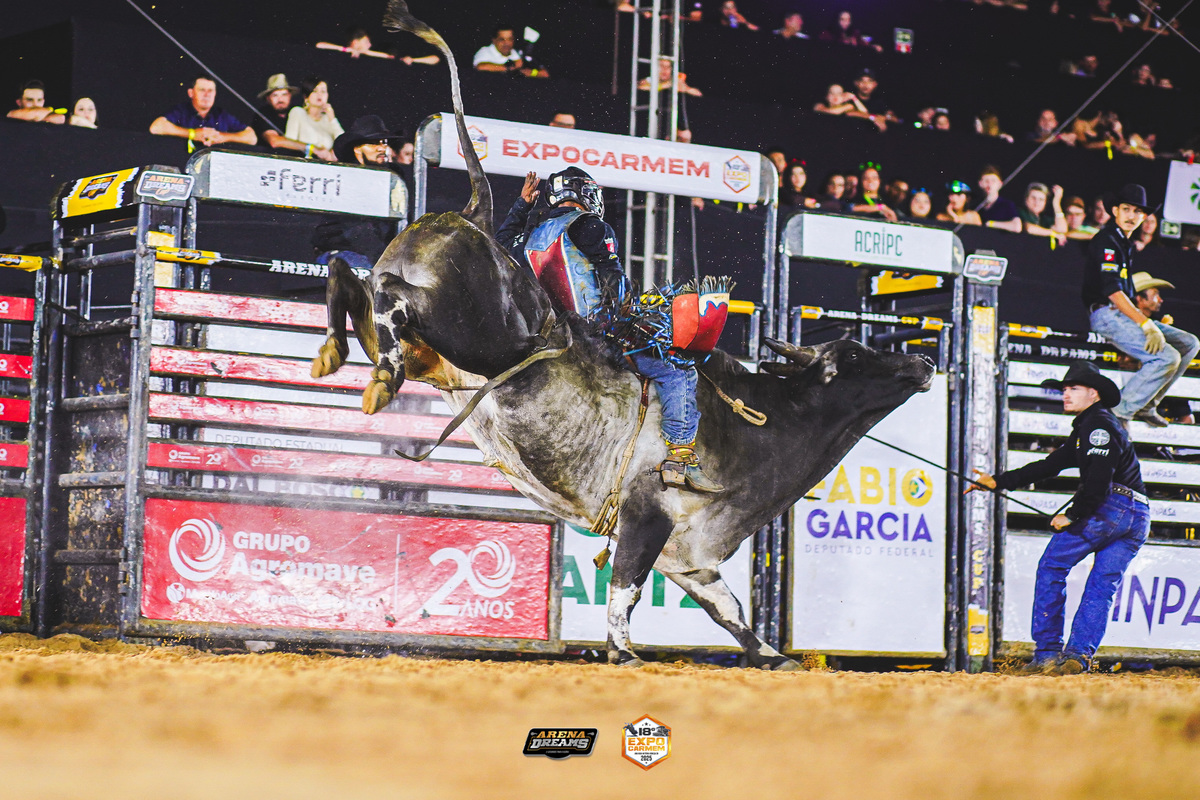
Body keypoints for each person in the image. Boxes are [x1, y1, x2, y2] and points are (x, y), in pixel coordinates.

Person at [496, 167, 722, 494]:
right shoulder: (591, 225)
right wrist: (633, 317)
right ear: (586, 195)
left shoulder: (531, 237)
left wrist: (521, 207)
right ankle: (680, 458)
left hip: (551, 340)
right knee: (678, 370)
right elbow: (613, 279)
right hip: (597, 339)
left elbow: (500, 246)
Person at [968, 361, 1149, 675]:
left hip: (1111, 508)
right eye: (1064, 389)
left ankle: (1048, 654)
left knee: (1052, 566)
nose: (1065, 394)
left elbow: (1098, 479)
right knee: (1102, 586)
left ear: (1093, 394)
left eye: (1073, 389)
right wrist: (998, 481)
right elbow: (1050, 465)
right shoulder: (1092, 426)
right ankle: (1078, 657)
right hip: (1138, 515)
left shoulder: (1096, 427)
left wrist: (1073, 515)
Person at [1085, 184, 1199, 426]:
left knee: (1190, 343)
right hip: (1107, 314)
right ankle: (1116, 414)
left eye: (1138, 211)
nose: (1132, 216)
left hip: (1123, 314)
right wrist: (1146, 324)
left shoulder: (1123, 242)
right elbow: (1113, 292)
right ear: (1115, 210)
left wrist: (1145, 323)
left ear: (1144, 217)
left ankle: (1147, 403)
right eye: (1126, 209)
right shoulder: (1107, 240)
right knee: (1167, 357)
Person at [310, 116, 406, 271]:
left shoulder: (394, 177)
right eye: (374, 143)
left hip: (378, 255)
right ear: (357, 148)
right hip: (343, 253)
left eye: (384, 142)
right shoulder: (344, 177)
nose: (382, 148)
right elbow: (356, 230)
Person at [149, 75, 256, 150]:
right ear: (191, 93)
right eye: (202, 90)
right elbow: (156, 127)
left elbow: (251, 138)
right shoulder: (182, 110)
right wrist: (193, 134)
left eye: (210, 91)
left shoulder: (221, 114)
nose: (206, 95)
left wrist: (222, 137)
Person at [252, 74, 315, 158]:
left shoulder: (297, 111)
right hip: (271, 160)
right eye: (275, 95)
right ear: (268, 98)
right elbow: (274, 141)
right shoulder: (263, 113)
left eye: (284, 94)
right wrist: (311, 148)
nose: (280, 99)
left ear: (290, 95)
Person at [285, 77, 344, 158]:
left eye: (323, 91)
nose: (319, 95)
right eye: (315, 91)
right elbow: (289, 141)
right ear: (306, 97)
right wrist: (313, 149)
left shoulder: (327, 119)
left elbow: (343, 143)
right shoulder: (298, 112)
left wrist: (332, 119)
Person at [473, 26, 549, 78]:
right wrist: (511, 68)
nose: (506, 43)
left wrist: (532, 73)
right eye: (502, 39)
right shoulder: (485, 51)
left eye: (510, 39)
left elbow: (545, 74)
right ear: (494, 40)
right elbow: (480, 67)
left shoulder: (517, 54)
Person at [977, 166, 1022, 232]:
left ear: (1000, 184)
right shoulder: (976, 205)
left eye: (993, 181)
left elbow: (1017, 227)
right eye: (986, 181)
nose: (989, 184)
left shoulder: (1007, 205)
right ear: (980, 183)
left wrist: (991, 224)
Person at [638, 57, 702, 96]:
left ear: (672, 69)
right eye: (661, 66)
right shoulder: (652, 78)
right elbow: (640, 86)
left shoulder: (678, 76)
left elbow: (698, 93)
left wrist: (687, 89)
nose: (664, 69)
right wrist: (665, 85)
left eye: (668, 67)